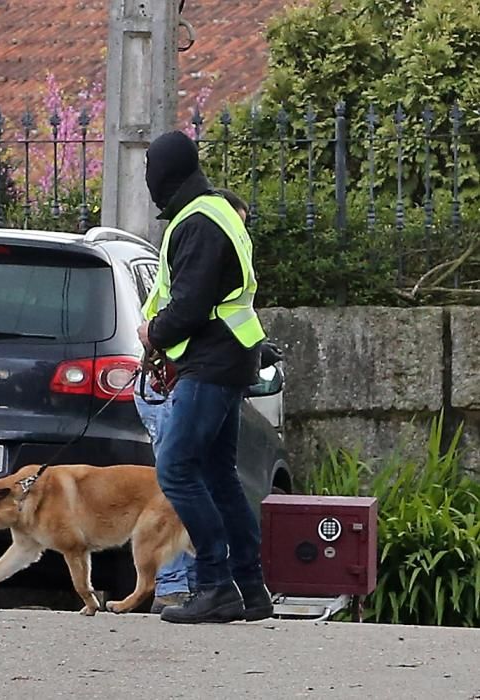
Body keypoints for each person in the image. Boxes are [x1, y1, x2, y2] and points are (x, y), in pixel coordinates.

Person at [137, 131, 273, 624]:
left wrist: (153, 332)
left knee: (175, 468)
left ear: (165, 174)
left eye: (150, 168)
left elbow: (190, 306)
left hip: (214, 360)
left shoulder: (197, 221)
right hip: (226, 356)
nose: (148, 179)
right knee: (218, 476)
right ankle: (251, 589)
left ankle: (216, 584)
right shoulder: (211, 212)